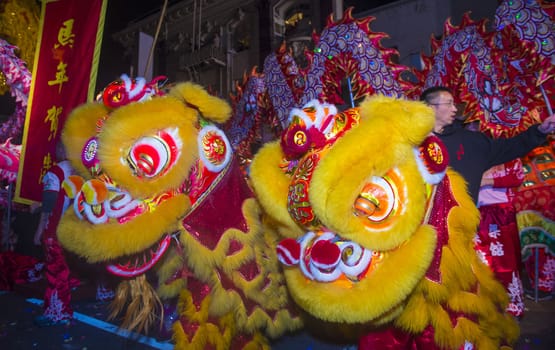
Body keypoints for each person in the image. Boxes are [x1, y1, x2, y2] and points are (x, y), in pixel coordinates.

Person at [420, 86, 555, 203]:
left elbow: (511, 147)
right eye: (448, 103)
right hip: (422, 226)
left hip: (463, 226)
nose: (454, 109)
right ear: (430, 107)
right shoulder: (413, 142)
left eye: (454, 104)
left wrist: (540, 131)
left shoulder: (471, 142)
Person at [33, 142, 77, 326]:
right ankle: (57, 308)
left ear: (60, 150)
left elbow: (50, 204)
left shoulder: (55, 172)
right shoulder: (78, 172)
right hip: (72, 229)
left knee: (55, 271)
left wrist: (40, 229)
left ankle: (59, 311)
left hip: (54, 229)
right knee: (64, 269)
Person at [476, 159, 526, 317]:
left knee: (504, 262)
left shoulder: (508, 148)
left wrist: (485, 180)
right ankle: (484, 306)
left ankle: (509, 304)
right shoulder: (473, 145)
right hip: (475, 211)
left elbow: (517, 177)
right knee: (480, 264)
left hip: (499, 213)